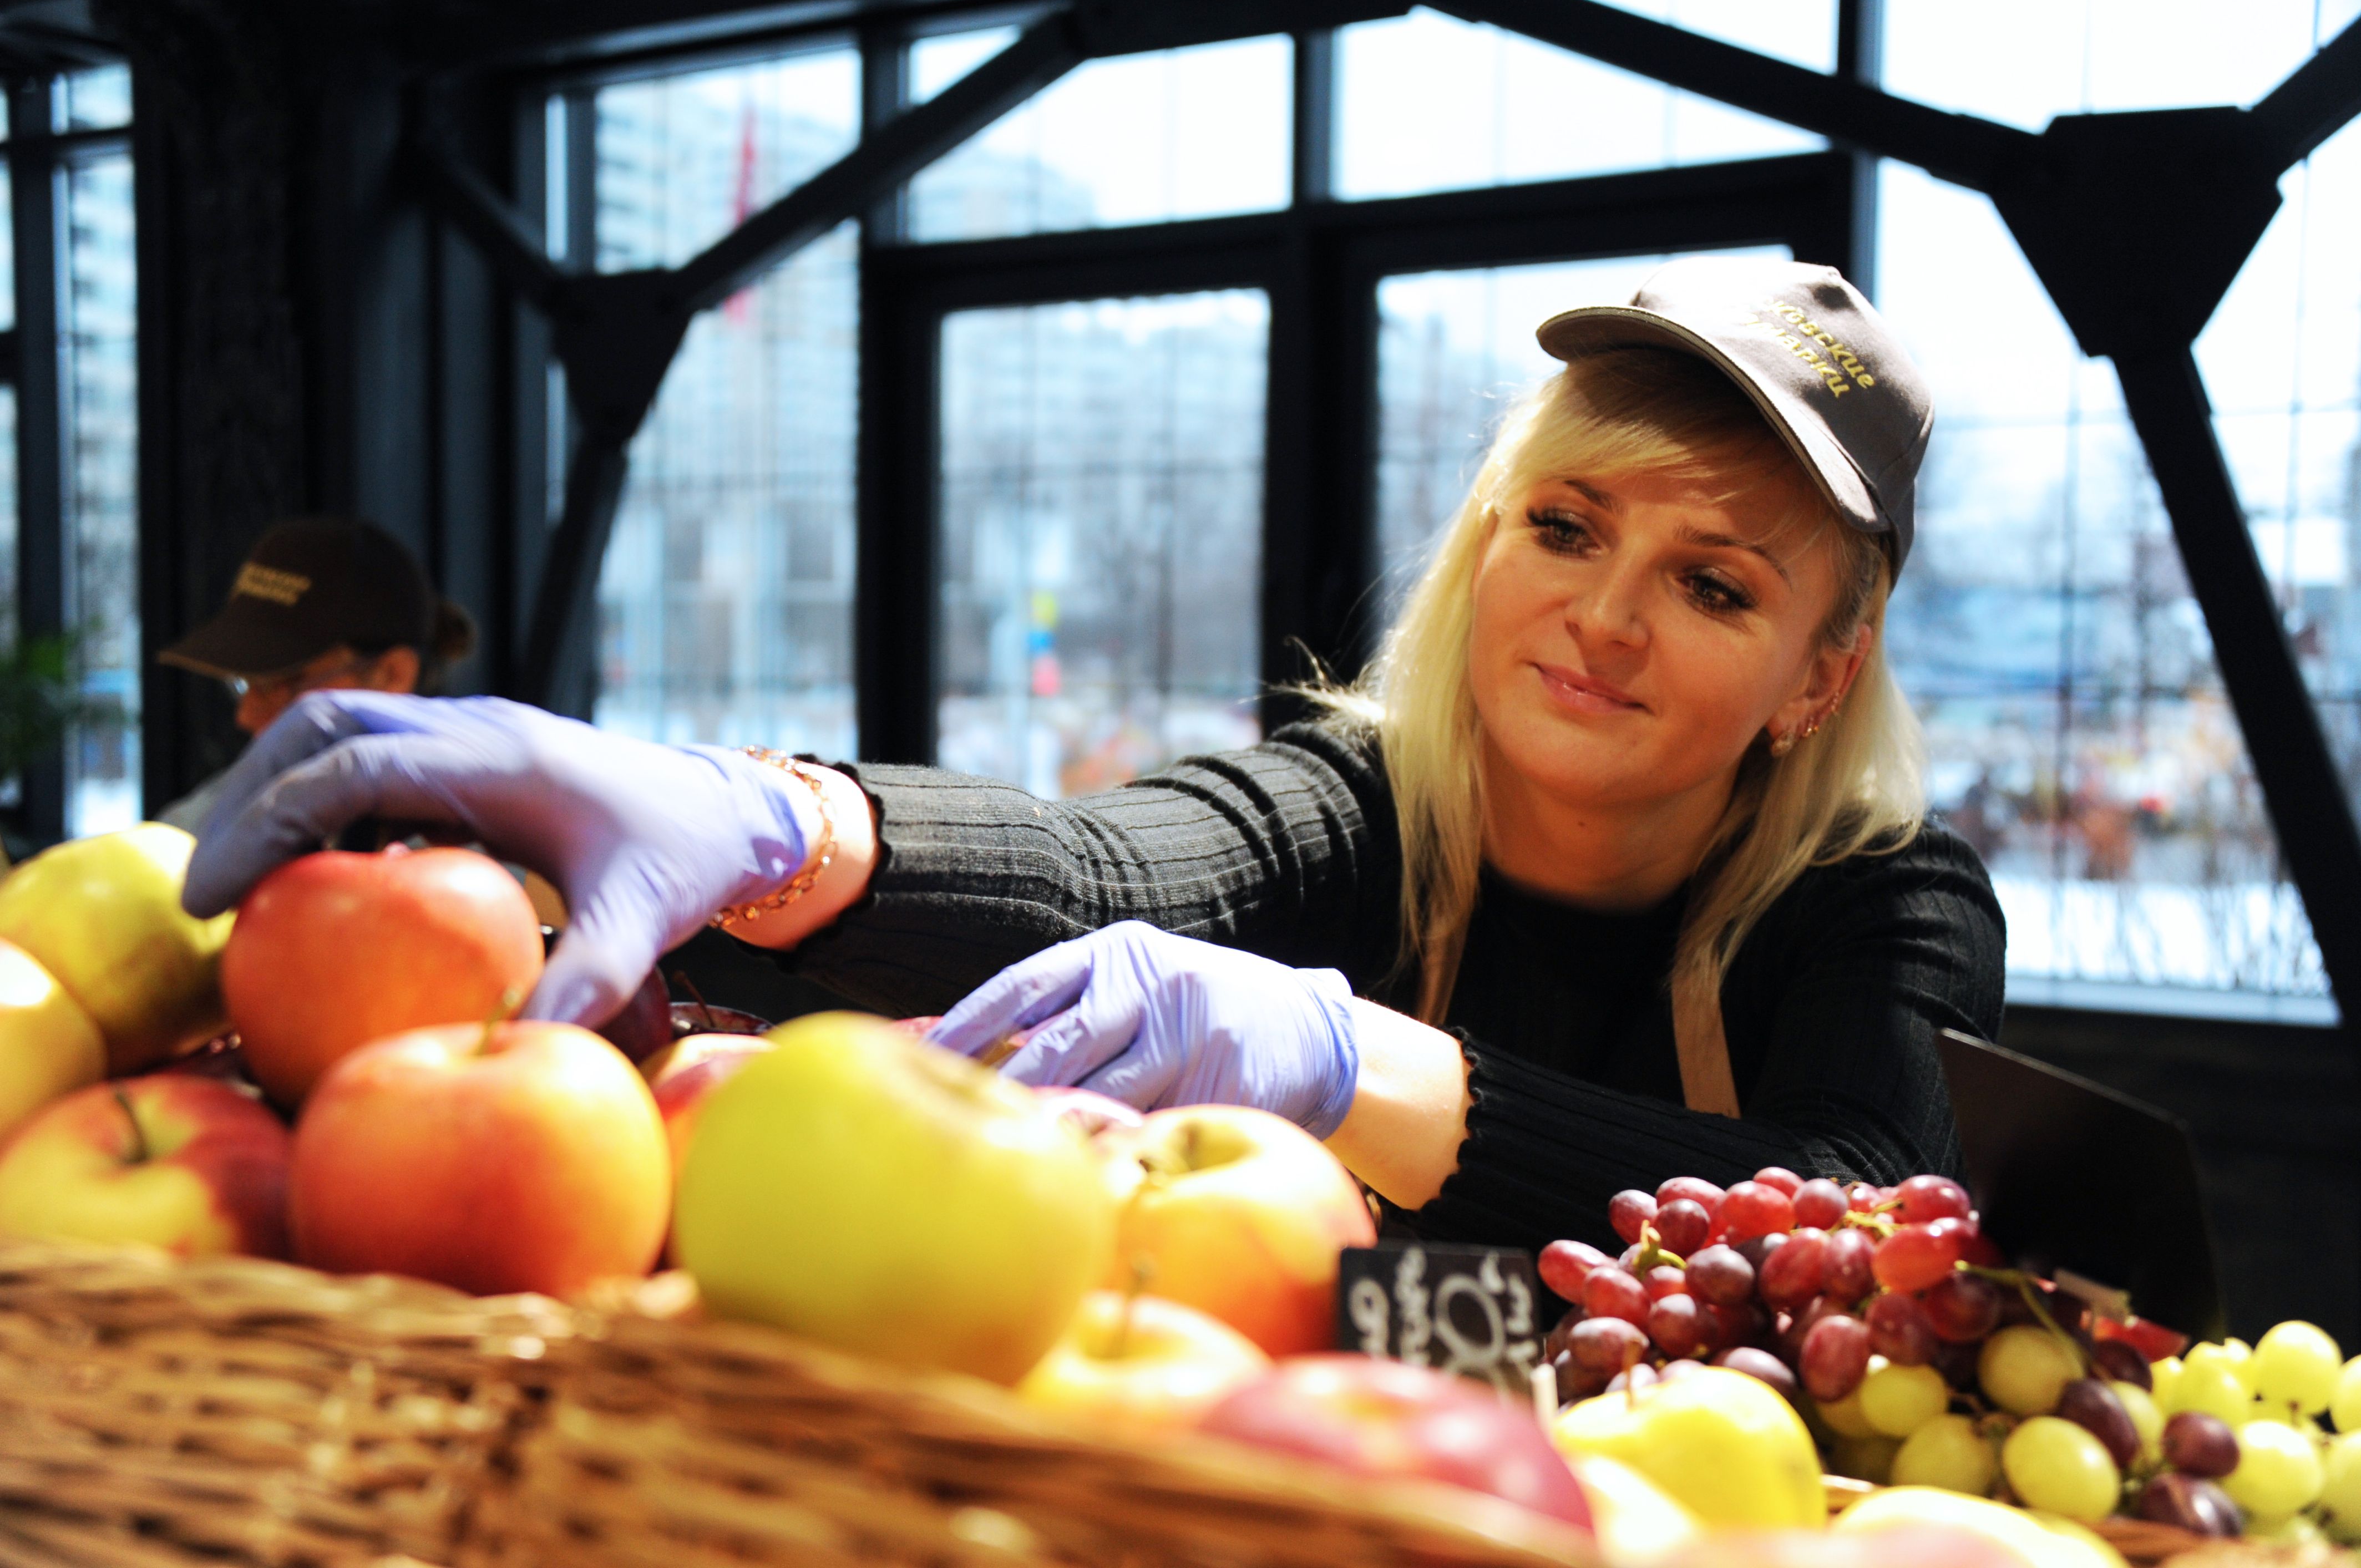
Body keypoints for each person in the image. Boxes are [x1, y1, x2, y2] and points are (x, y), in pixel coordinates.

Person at [180, 258, 2003, 1257]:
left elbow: (1857, 1207)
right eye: (1562, 525)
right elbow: (1108, 868)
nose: (1602, 615)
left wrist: (1342, 1053)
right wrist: (779, 822)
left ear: (1814, 672)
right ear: (1483, 539)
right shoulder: (1350, 807)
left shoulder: (1877, 911)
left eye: (1706, 580)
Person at [154, 518, 478, 833]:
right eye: (242, 682)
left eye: (281, 685)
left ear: (392, 676)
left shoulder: (481, 851)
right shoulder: (199, 829)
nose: (247, 715)